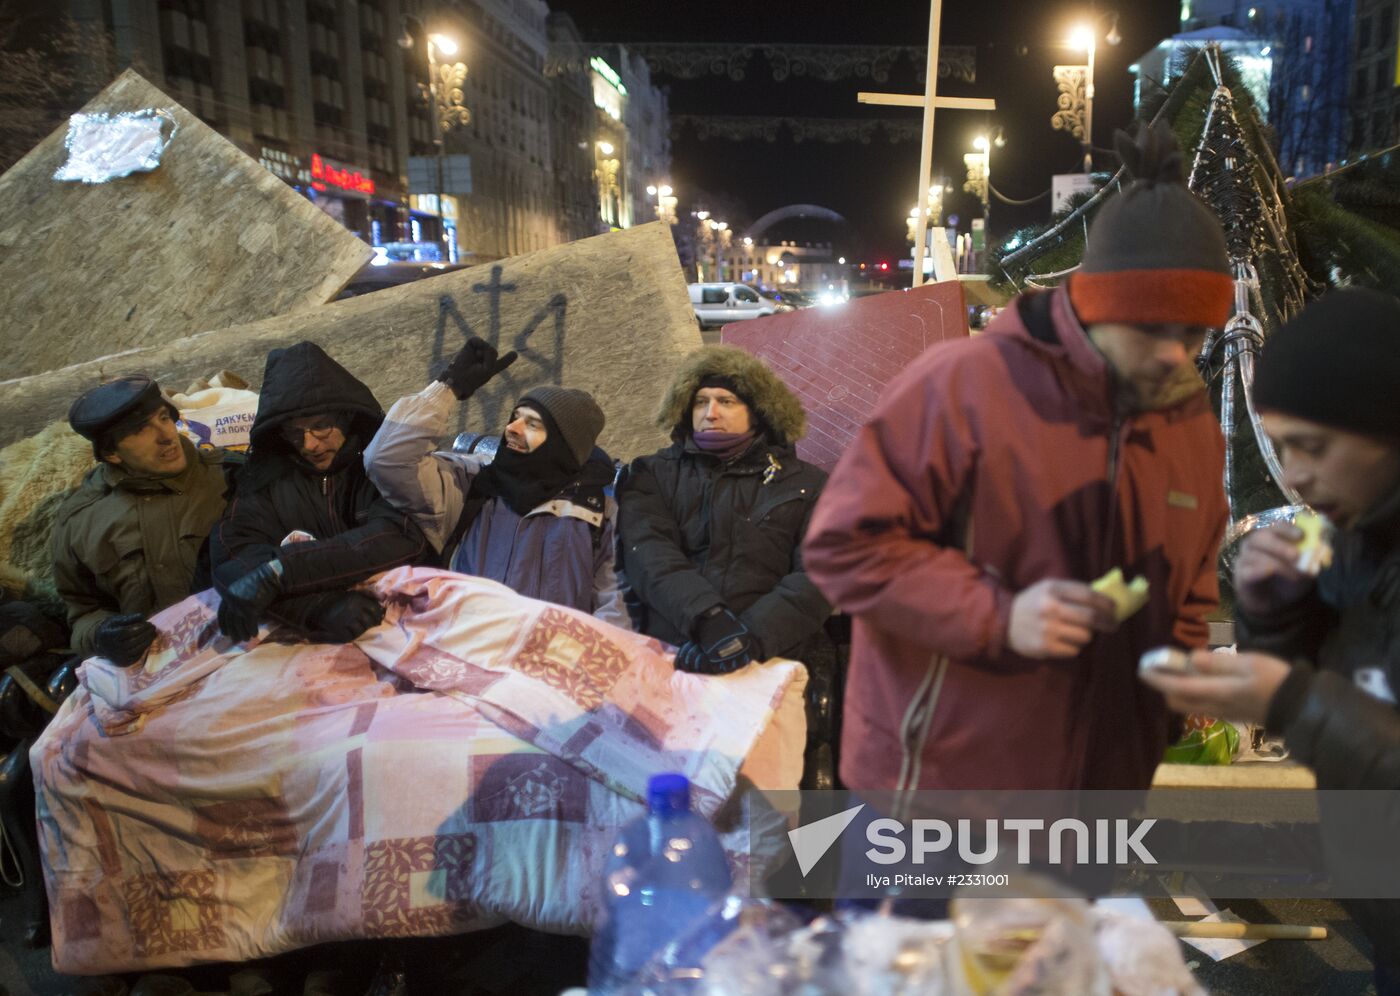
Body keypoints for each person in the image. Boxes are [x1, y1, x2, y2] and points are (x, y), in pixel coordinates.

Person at [802, 121, 1233, 791]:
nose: (1175, 354)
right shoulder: (961, 386)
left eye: (1195, 332)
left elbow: (1191, 593)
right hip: (938, 800)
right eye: (1150, 328)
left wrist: (1176, 685)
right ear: (1093, 306)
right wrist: (1002, 617)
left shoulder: (1193, 426)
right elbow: (843, 549)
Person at [1139, 288, 1400, 991]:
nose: (1297, 476)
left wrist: (1289, 699)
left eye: (1313, 447)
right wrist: (1270, 611)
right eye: (1282, 449)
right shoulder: (1347, 537)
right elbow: (1319, 680)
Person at [364, 336, 626, 625]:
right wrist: (447, 387)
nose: (512, 428)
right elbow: (386, 460)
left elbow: (616, 608)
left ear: (564, 445)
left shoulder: (602, 513)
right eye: (515, 417)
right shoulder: (472, 484)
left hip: (550, 661)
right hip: (465, 650)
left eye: (532, 424)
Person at [618, 344, 829, 673]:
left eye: (726, 401)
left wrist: (750, 638)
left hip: (771, 662)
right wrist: (709, 622)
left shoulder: (808, 483)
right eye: (700, 402)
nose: (710, 413)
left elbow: (820, 573)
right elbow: (649, 555)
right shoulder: (652, 473)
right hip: (674, 656)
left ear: (758, 410)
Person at [211, 342, 429, 643]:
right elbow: (234, 557)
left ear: (347, 416)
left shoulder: (379, 469)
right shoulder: (267, 481)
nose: (309, 444)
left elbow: (398, 538)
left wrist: (281, 572)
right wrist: (318, 608)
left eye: (321, 427)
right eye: (294, 432)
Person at [50, 376, 233, 664]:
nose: (166, 435)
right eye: (140, 430)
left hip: (242, 650)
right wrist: (102, 635)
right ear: (111, 453)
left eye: (164, 418)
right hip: (154, 672)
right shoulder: (79, 521)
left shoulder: (232, 478)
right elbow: (83, 610)